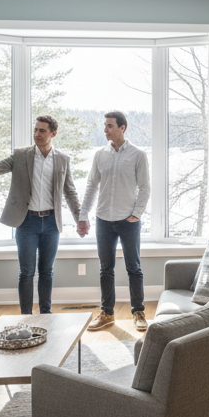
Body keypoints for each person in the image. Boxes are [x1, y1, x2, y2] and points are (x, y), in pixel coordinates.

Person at [0, 115, 81, 315]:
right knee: (26, 272)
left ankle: (46, 314)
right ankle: (26, 316)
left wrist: (81, 219)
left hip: (52, 223)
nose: (36, 134)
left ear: (53, 133)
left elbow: (70, 192)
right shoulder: (21, 155)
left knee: (46, 272)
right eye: (35, 130)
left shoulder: (62, 159)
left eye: (42, 131)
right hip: (26, 222)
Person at [77, 111, 151, 331]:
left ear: (122, 128)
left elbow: (145, 187)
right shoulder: (100, 155)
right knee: (105, 269)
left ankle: (138, 312)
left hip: (128, 221)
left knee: (133, 268)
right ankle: (107, 314)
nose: (105, 130)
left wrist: (137, 213)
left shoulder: (138, 155)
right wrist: (83, 215)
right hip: (103, 221)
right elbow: (91, 186)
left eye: (109, 126)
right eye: (104, 125)